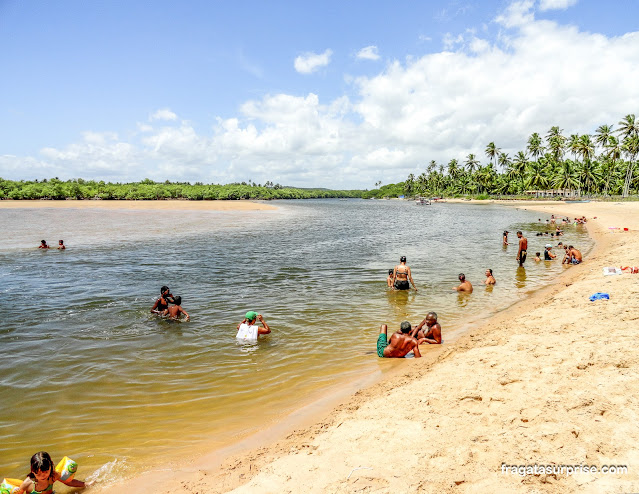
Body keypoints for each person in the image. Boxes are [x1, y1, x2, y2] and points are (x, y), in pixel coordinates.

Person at [16, 451, 88, 493]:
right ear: (32, 471)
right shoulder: (27, 484)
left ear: (51, 466)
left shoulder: (53, 476)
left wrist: (86, 484)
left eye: (46, 472)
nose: (43, 476)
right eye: (38, 474)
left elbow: (70, 482)